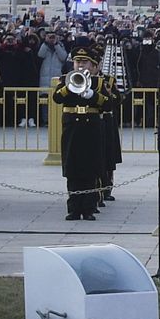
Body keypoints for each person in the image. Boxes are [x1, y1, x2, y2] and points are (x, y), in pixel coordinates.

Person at [54, 42, 108, 221]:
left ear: (92, 65)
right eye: (77, 62)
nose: (81, 65)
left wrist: (93, 96)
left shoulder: (99, 82)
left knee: (90, 168)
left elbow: (110, 103)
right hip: (72, 127)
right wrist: (69, 87)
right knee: (73, 168)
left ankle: (89, 208)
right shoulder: (66, 79)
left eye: (84, 62)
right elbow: (56, 98)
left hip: (91, 127)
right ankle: (74, 207)